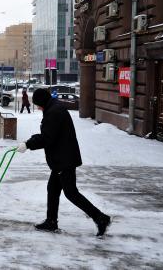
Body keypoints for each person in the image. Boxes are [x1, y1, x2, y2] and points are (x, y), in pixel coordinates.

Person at [16, 88, 111, 236]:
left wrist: (28, 144)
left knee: (71, 193)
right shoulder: (54, 108)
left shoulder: (53, 112)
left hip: (63, 159)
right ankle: (51, 221)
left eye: (38, 104)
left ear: (42, 101)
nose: (38, 108)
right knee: (53, 189)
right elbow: (50, 134)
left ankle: (100, 218)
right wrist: (31, 141)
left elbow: (47, 138)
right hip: (62, 158)